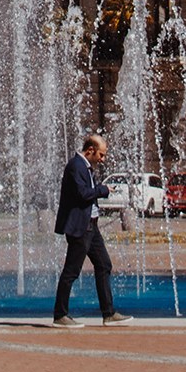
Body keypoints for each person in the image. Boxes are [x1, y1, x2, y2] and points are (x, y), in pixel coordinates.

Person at [52, 134, 131, 327]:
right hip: (80, 227)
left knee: (104, 265)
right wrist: (102, 190)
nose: (102, 159)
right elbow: (82, 194)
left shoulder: (85, 167)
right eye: (101, 155)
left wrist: (99, 190)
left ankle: (108, 313)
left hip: (91, 227)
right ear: (90, 151)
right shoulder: (75, 167)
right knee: (71, 271)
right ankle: (60, 315)